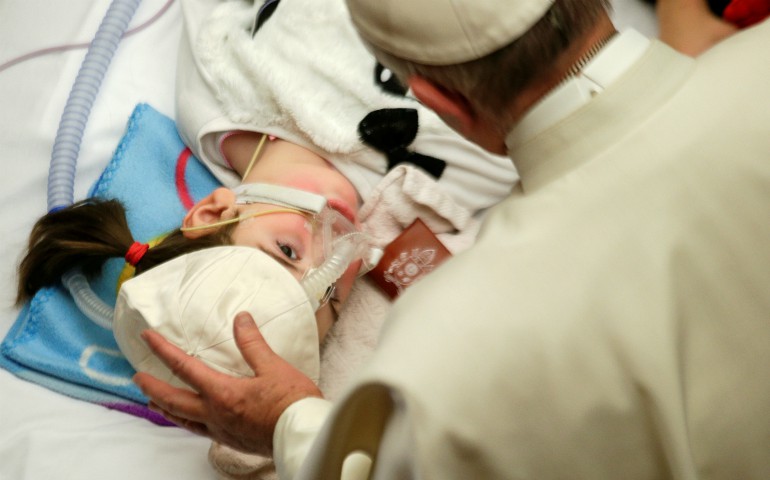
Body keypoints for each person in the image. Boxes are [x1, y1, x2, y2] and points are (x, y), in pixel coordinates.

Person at [136, 0, 770, 478]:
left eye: (288, 254)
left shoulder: (463, 334)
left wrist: (291, 424)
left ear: (441, 102)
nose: (332, 245)